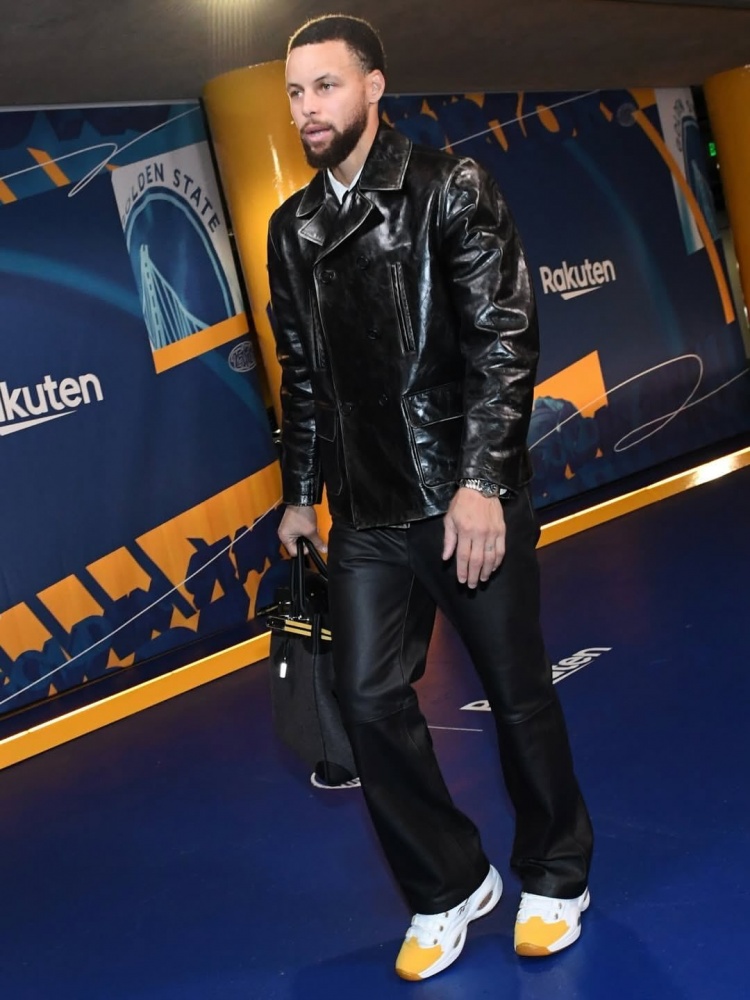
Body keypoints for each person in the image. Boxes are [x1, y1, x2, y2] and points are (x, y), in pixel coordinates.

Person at [267, 14, 594, 981]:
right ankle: (448, 884)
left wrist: (483, 482)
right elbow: (302, 373)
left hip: (461, 499)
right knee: (369, 704)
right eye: (295, 92)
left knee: (517, 695)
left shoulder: (451, 186)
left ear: (374, 87)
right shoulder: (292, 228)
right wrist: (300, 494)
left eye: (326, 86)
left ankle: (557, 874)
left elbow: (504, 340)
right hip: (365, 511)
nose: (308, 108)